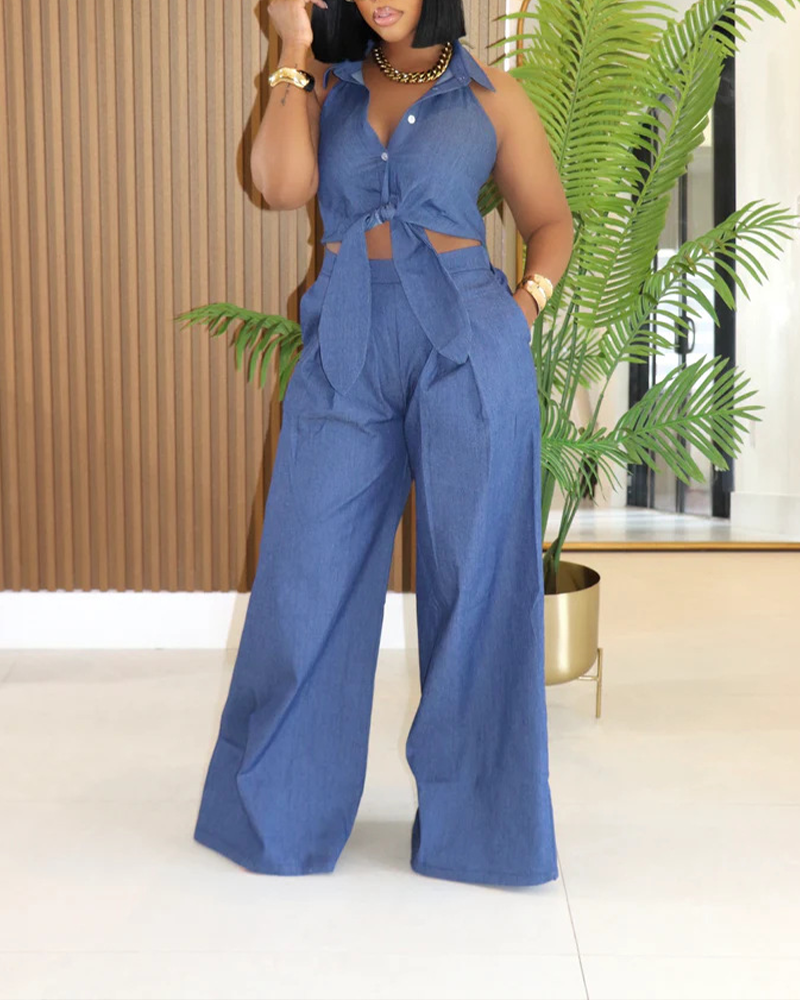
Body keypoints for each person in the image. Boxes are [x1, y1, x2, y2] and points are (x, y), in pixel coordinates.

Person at [193, 0, 575, 887]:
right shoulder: (326, 84)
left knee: (478, 584)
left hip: (467, 341)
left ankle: (481, 837)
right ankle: (279, 820)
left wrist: (521, 312)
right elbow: (278, 186)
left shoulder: (492, 95)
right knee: (305, 575)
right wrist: (293, 45)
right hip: (348, 341)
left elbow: (552, 222)